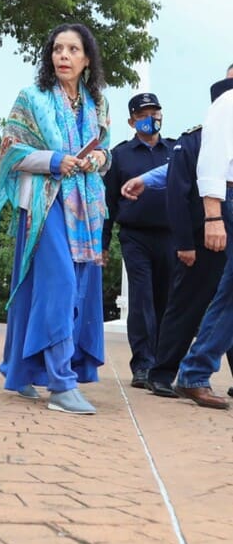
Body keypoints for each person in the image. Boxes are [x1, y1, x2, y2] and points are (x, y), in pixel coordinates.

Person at [0, 23, 111, 415]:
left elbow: (106, 151)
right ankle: (61, 384)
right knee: (59, 283)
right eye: (58, 48)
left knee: (57, 288)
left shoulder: (98, 104)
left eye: (73, 49)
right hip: (45, 203)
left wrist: (99, 158)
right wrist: (55, 160)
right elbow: (10, 153)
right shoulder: (32, 98)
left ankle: (21, 369)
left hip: (86, 209)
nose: (64, 56)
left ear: (87, 59)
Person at [120, 72, 233, 398]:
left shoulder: (175, 144)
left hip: (205, 231)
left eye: (154, 113)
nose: (151, 119)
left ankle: (193, 371)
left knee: (223, 302)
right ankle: (160, 371)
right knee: (183, 305)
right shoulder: (195, 139)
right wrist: (185, 243)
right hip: (198, 235)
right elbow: (176, 191)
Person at [168, 77, 233, 409]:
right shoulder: (229, 102)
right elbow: (211, 163)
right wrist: (212, 216)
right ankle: (194, 371)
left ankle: (195, 371)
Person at [102, 92, 175, 389]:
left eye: (154, 113)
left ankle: (163, 365)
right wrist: (103, 244)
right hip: (135, 236)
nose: (151, 119)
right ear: (132, 121)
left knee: (166, 302)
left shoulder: (176, 151)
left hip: (171, 236)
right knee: (142, 300)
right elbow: (108, 203)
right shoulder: (120, 155)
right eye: (143, 115)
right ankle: (143, 364)